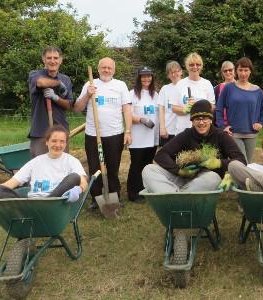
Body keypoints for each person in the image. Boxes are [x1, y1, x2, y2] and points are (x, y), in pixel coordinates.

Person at [142, 100, 246, 193]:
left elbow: (241, 160)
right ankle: (176, 196)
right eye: (197, 119)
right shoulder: (186, 134)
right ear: (192, 121)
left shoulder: (221, 136)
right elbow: (161, 154)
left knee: (213, 178)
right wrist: (179, 170)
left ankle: (173, 197)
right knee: (148, 169)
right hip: (183, 177)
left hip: (205, 179)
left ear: (211, 120)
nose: (201, 122)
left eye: (205, 118)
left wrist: (220, 163)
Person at [73, 57, 132, 211]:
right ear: (98, 69)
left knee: (113, 167)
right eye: (103, 67)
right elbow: (77, 108)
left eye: (109, 68)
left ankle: (114, 196)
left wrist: (128, 131)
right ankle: (96, 198)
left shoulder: (120, 85)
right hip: (93, 134)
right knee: (94, 167)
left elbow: (127, 109)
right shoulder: (90, 84)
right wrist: (87, 94)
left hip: (115, 134)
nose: (106, 70)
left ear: (114, 70)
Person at [0, 125, 87, 202]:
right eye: (54, 141)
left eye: (62, 141)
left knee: (74, 177)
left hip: (55, 203)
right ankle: (26, 213)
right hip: (32, 203)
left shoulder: (71, 161)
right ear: (47, 142)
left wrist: (79, 189)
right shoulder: (36, 162)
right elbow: (12, 182)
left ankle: (41, 208)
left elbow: (82, 180)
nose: (58, 145)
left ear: (66, 144)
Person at [216, 57, 263, 163]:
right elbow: (219, 109)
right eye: (240, 70)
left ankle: (241, 179)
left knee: (247, 163)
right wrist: (223, 126)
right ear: (236, 71)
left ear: (250, 71)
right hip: (234, 134)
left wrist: (261, 123)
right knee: (241, 161)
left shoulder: (257, 90)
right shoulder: (229, 88)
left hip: (252, 134)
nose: (243, 73)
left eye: (246, 70)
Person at [28, 46, 74, 157]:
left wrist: (56, 98)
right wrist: (57, 84)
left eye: (55, 58)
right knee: (41, 168)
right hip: (41, 132)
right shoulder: (35, 74)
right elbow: (41, 83)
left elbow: (69, 105)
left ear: (60, 60)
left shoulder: (66, 79)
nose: (52, 61)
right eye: (49, 58)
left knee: (61, 167)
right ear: (43, 60)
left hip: (61, 131)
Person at [127, 67, 159, 203]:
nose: (146, 79)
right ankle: (133, 193)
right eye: (143, 76)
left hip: (152, 138)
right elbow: (128, 114)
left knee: (147, 165)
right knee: (136, 165)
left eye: (149, 76)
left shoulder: (155, 95)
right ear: (139, 78)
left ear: (152, 78)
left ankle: (145, 189)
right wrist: (141, 119)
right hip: (138, 138)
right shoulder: (132, 94)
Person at [173, 52, 216, 134]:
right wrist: (186, 109)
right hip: (183, 130)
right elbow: (174, 108)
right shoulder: (180, 84)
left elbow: (213, 106)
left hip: (202, 130)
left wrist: (199, 107)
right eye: (191, 64)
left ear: (201, 66)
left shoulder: (207, 84)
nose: (195, 67)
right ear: (187, 66)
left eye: (198, 64)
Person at [158, 61, 183, 146]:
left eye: (176, 71)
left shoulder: (187, 87)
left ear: (181, 72)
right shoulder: (165, 89)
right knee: (167, 157)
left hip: (184, 130)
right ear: (168, 75)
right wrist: (162, 127)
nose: (173, 75)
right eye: (170, 73)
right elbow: (161, 109)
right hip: (169, 131)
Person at [214, 60, 236, 127]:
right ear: (222, 73)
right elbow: (215, 107)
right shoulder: (217, 88)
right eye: (225, 71)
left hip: (238, 124)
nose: (228, 72)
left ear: (234, 70)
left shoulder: (241, 86)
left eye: (230, 70)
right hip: (221, 125)